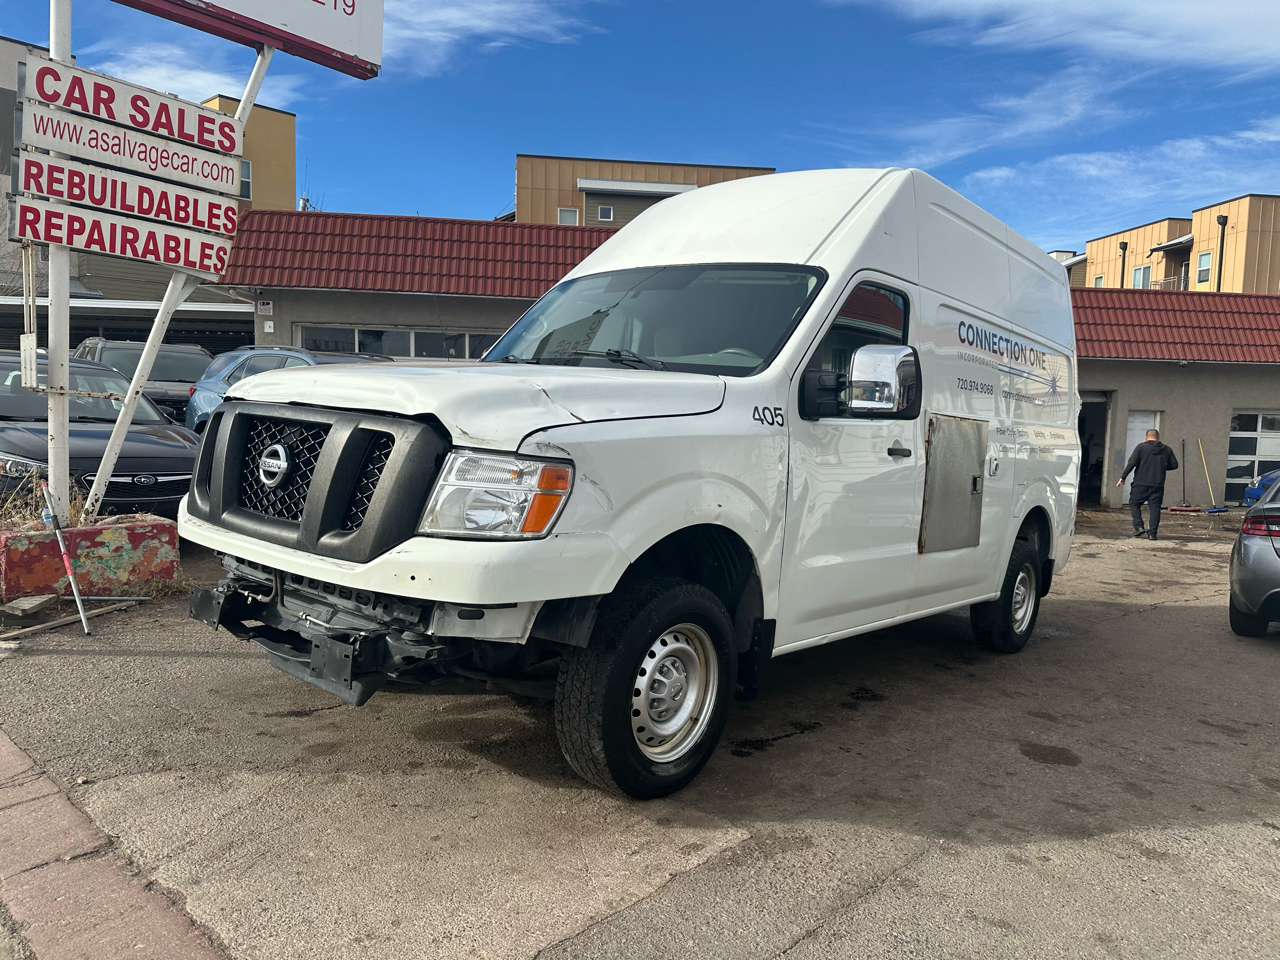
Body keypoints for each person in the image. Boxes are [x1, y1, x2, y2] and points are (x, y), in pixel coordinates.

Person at [1115, 428, 1179, 540]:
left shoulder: (1141, 447)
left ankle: (1139, 527)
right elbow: (1174, 465)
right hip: (1158, 484)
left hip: (1141, 483)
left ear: (1146, 437)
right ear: (1158, 437)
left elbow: (1132, 463)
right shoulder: (1166, 449)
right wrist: (1161, 467)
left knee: (1134, 503)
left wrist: (1123, 476)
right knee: (1155, 509)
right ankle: (1152, 534)